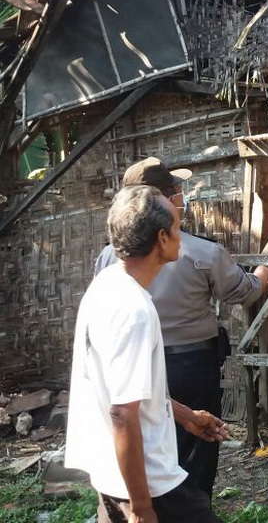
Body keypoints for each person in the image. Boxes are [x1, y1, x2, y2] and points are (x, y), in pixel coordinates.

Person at [95, 157, 268, 496]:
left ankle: (155, 504)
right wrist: (261, 278)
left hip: (136, 368)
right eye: (176, 190)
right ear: (162, 200)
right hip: (191, 366)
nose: (182, 196)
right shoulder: (198, 251)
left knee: (149, 445)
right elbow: (240, 292)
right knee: (196, 448)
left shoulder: (109, 257)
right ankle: (191, 509)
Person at [65, 185, 229, 523]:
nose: (180, 234)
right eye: (176, 227)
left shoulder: (107, 284)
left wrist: (185, 416)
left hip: (112, 474)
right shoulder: (133, 309)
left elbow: (126, 395)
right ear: (161, 239)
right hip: (149, 483)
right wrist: (142, 508)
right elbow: (123, 414)